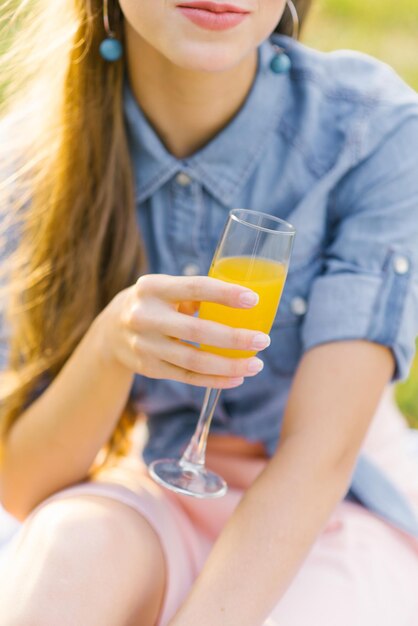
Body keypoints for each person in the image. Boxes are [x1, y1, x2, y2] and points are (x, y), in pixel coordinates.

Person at [0, 0, 418, 624]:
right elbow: (24, 485)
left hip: (333, 498)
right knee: (67, 552)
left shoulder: (371, 129)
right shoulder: (32, 161)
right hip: (158, 482)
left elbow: (320, 454)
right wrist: (113, 342)